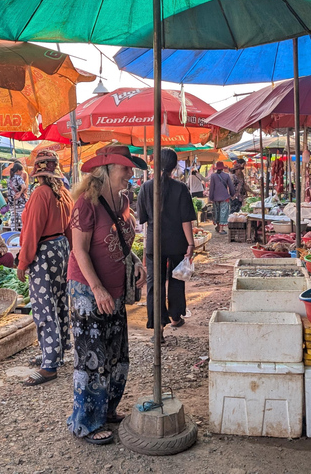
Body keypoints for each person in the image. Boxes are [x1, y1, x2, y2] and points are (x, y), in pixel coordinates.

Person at [67, 145, 147, 445]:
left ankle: (107, 409)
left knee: (116, 354)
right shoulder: (86, 203)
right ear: (107, 169)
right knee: (92, 358)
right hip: (88, 290)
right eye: (125, 168)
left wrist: (136, 262)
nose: (130, 173)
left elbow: (122, 239)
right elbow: (79, 250)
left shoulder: (123, 199)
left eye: (130, 167)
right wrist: (97, 288)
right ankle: (86, 423)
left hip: (114, 290)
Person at [16, 150, 73, 386]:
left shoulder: (41, 193)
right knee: (59, 303)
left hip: (44, 252)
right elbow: (70, 227)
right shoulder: (64, 193)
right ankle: (56, 352)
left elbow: (32, 231)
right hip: (61, 249)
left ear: (38, 171)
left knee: (43, 307)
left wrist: (23, 262)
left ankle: (49, 365)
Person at [138, 148, 196, 339]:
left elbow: (143, 218)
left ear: (155, 163)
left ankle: (158, 329)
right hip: (177, 242)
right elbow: (185, 220)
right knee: (177, 280)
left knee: (155, 284)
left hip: (155, 243)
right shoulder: (180, 188)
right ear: (174, 166)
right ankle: (175, 317)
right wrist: (191, 244)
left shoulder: (146, 187)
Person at [208, 161, 235, 234]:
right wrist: (232, 194)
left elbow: (211, 188)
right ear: (223, 168)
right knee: (223, 212)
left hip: (215, 197)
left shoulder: (213, 176)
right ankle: (221, 229)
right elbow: (231, 186)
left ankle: (218, 226)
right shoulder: (226, 176)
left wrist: (210, 198)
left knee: (217, 212)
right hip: (224, 197)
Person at [7, 162, 28, 231]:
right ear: (18, 171)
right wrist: (20, 193)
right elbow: (24, 186)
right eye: (21, 171)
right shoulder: (18, 178)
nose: (22, 172)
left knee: (13, 221)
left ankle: (13, 236)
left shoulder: (9, 179)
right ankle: (23, 236)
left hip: (12, 202)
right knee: (22, 220)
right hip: (20, 203)